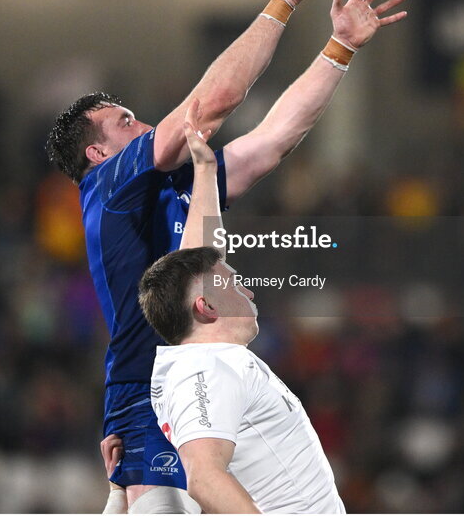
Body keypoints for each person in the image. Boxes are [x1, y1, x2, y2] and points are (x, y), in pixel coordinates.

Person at [45, 0, 405, 513]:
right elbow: (211, 105)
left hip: (185, 371)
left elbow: (270, 143)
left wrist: (339, 48)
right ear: (96, 153)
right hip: (153, 386)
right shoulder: (108, 185)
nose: (143, 126)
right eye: (125, 121)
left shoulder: (181, 184)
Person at [138, 100, 344, 513]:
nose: (245, 287)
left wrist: (206, 172)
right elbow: (204, 477)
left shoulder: (206, 358)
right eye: (230, 283)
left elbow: (201, 257)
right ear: (207, 308)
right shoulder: (205, 369)